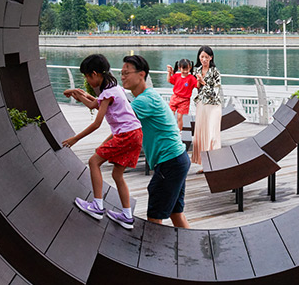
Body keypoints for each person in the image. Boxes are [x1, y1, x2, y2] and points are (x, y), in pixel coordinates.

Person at [62, 54, 142, 229]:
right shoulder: (115, 89)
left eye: (87, 76)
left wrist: (75, 138)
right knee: (117, 175)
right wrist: (78, 93)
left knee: (93, 162)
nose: (87, 80)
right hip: (136, 134)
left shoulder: (107, 93)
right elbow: (95, 104)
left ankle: (97, 206)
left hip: (125, 135)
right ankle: (127, 216)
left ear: (95, 74)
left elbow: (97, 123)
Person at [121, 55, 190, 228]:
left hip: (170, 162)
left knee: (154, 218)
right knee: (176, 213)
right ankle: (195, 253)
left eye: (127, 73)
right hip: (178, 159)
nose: (122, 77)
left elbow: (119, 120)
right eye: (121, 73)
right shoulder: (148, 96)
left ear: (141, 74)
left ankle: (154, 254)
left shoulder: (143, 101)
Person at [190, 45, 221, 167]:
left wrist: (204, 83)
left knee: (212, 134)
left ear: (211, 58)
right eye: (202, 57)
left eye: (206, 57)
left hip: (213, 105)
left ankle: (214, 162)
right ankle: (204, 164)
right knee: (201, 134)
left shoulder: (215, 72)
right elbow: (195, 87)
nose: (204, 59)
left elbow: (215, 92)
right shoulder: (196, 71)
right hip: (201, 104)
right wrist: (198, 83)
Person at [166, 58, 198, 130]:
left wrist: (199, 78)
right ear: (179, 68)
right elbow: (169, 80)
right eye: (183, 69)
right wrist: (169, 72)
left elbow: (197, 85)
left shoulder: (191, 78)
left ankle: (179, 132)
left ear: (190, 68)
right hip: (175, 97)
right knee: (170, 114)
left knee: (179, 117)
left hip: (184, 100)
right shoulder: (177, 76)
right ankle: (169, 129)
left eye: (187, 69)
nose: (185, 71)